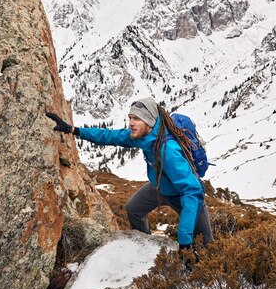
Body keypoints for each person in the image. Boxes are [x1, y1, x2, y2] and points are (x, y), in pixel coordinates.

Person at [46, 97, 213, 253]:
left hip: (182, 195)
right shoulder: (142, 136)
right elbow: (109, 136)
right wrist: (73, 130)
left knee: (207, 245)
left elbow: (191, 191)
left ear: (149, 122)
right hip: (159, 187)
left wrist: (184, 240)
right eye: (130, 118)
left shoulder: (167, 151)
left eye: (137, 119)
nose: (131, 123)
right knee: (133, 209)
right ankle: (146, 249)